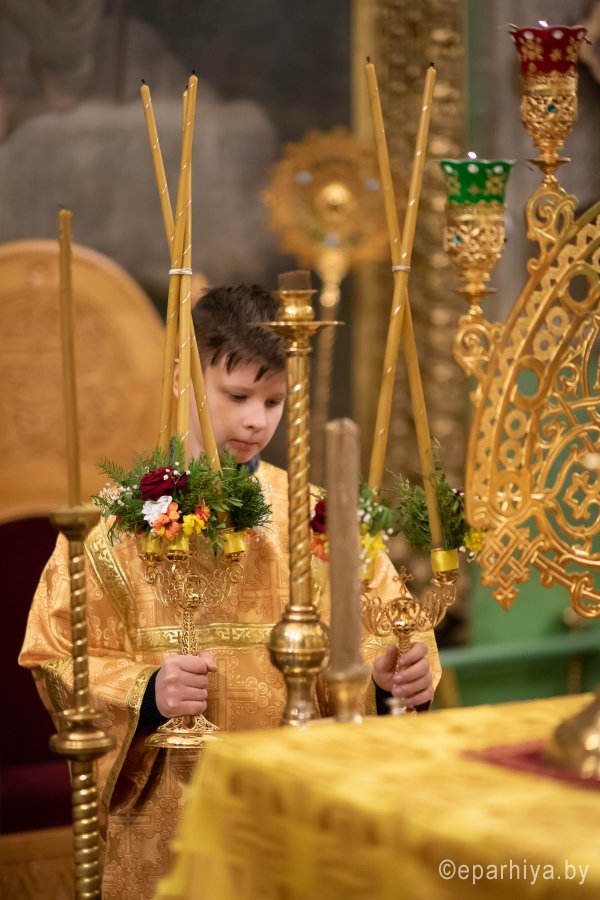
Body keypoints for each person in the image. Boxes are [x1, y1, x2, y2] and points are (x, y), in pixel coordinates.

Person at [19, 282, 440, 899]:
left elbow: (389, 625)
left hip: (297, 806)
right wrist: (147, 693)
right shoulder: (111, 529)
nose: (255, 420)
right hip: (169, 816)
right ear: (183, 380)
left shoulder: (316, 519)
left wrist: (390, 676)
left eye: (274, 401)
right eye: (237, 395)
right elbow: (55, 654)